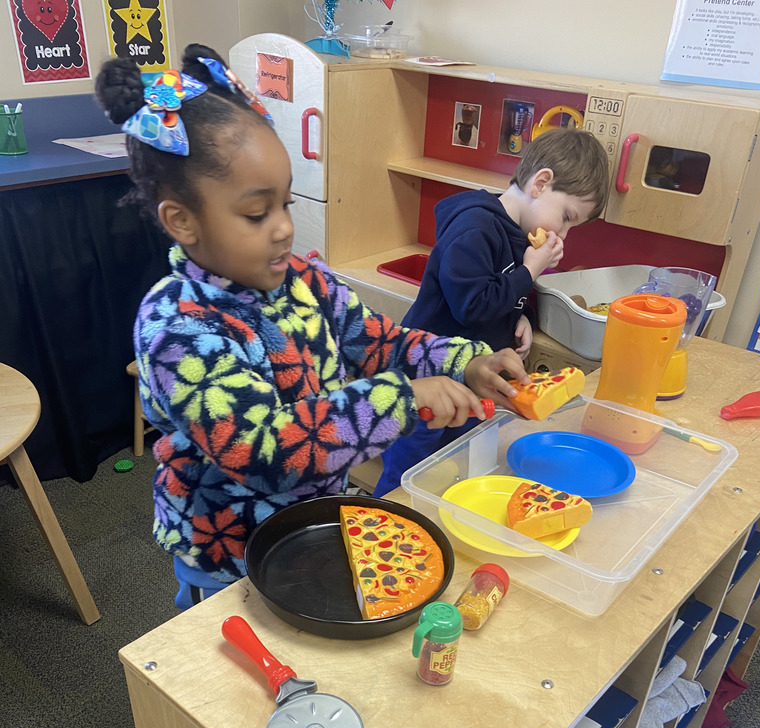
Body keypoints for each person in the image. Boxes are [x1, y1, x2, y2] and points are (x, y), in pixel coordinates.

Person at [94, 45, 531, 610]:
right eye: (257, 213)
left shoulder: (304, 279)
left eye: (285, 203)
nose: (282, 228)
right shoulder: (177, 329)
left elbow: (379, 342)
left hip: (313, 526)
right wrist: (401, 399)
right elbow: (265, 450)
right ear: (182, 221)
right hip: (228, 557)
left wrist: (462, 361)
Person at [374, 127, 610, 497]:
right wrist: (530, 270)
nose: (563, 233)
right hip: (427, 383)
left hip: (473, 383)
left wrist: (522, 316)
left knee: (453, 474)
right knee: (406, 480)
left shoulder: (522, 234)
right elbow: (472, 306)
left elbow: (506, 293)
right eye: (566, 216)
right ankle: (382, 521)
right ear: (540, 183)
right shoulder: (474, 226)